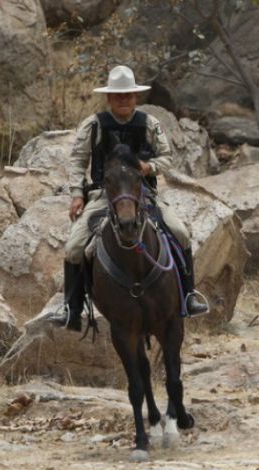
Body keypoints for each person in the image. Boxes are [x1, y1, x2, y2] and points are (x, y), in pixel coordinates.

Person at [49, 65, 209, 331]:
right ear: (109, 98)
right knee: (75, 247)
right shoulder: (94, 125)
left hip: (143, 195)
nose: (124, 100)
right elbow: (78, 161)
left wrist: (149, 167)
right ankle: (72, 308)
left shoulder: (149, 124)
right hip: (104, 196)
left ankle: (189, 296)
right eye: (118, 95)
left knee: (180, 232)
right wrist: (77, 194)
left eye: (128, 95)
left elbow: (166, 157)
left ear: (135, 97)